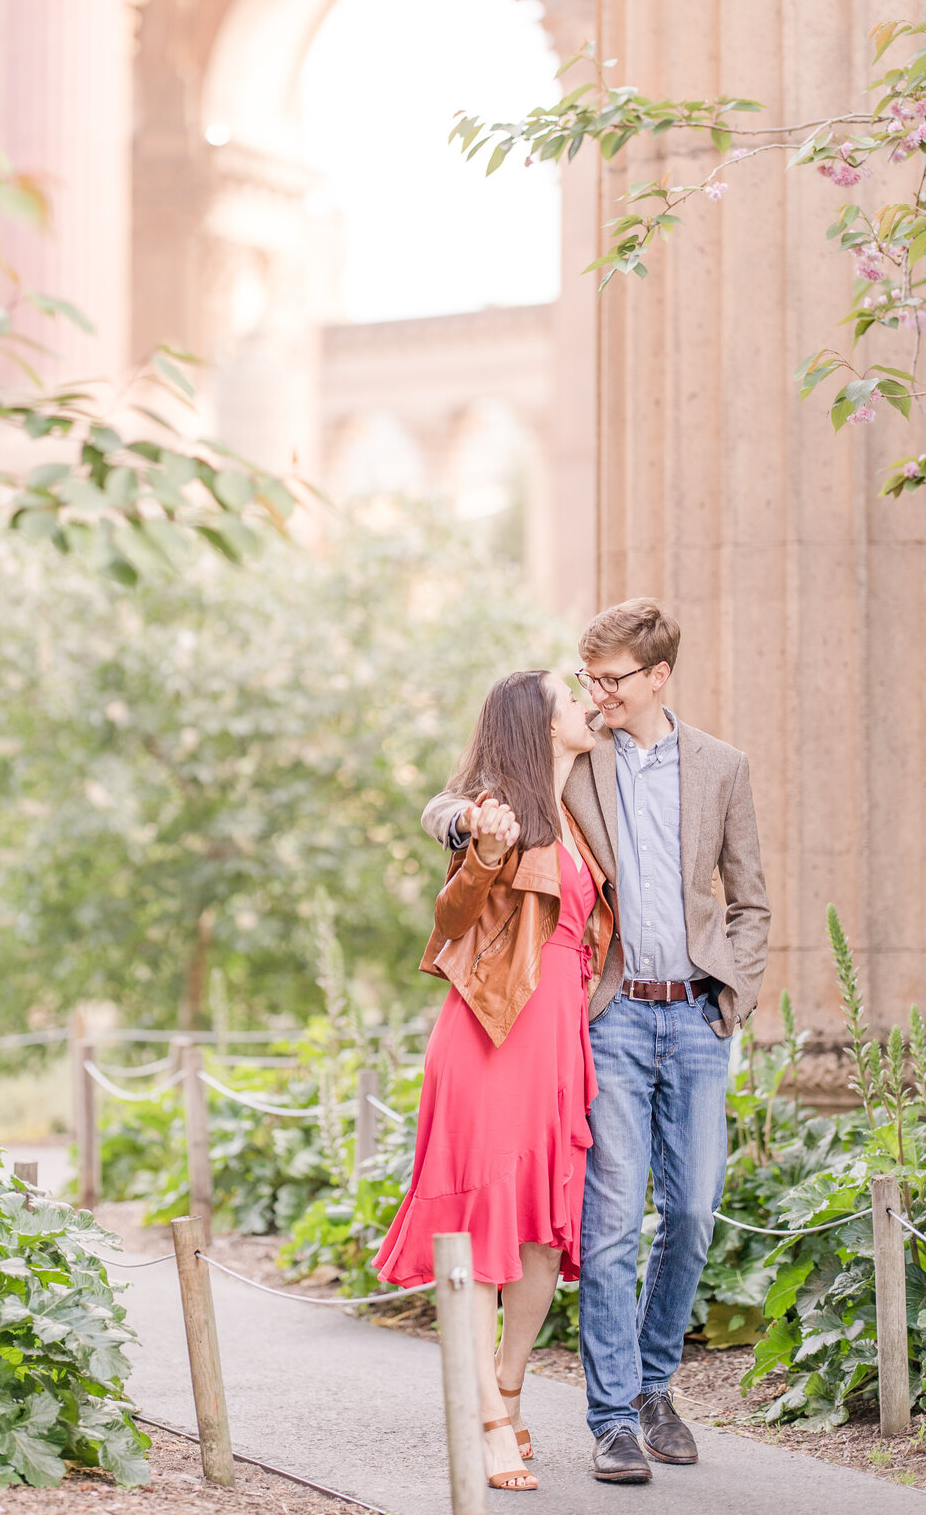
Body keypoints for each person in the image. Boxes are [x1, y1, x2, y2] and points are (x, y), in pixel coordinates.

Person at [422, 598, 771, 1485]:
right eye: (587, 683)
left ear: (658, 676)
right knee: (607, 1221)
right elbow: (463, 795)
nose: (598, 695)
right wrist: (465, 825)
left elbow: (749, 897)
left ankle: (655, 1385)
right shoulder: (580, 764)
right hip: (604, 1021)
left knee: (690, 1212)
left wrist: (737, 996)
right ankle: (611, 1414)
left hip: (693, 1016)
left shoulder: (723, 768)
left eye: (612, 680)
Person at [373, 669, 616, 1493]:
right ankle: (483, 1421)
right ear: (539, 724)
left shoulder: (576, 810)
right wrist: (475, 849)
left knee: (544, 1235)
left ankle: (509, 1389)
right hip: (489, 1034)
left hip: (558, 1044)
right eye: (568, 698)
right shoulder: (494, 816)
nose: (584, 705)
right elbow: (451, 915)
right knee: (480, 1232)